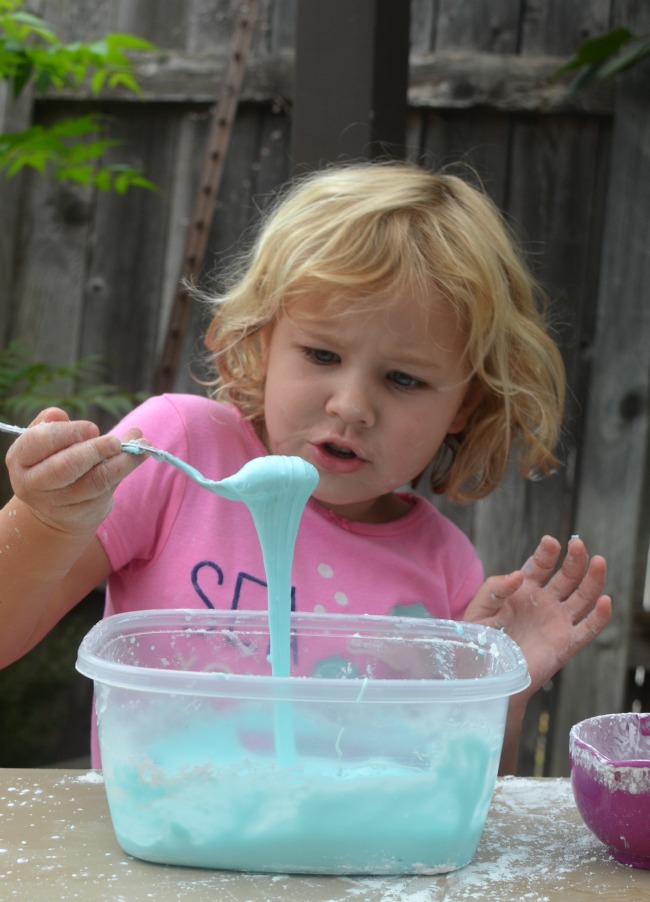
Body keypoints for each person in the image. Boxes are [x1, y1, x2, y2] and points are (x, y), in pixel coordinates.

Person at [0, 161, 611, 773]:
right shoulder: (179, 452)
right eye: (322, 353)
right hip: (163, 852)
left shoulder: (445, 572)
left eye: (404, 379)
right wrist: (47, 523)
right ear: (263, 342)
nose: (351, 406)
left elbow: (457, 792)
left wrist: (497, 689)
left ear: (465, 405)